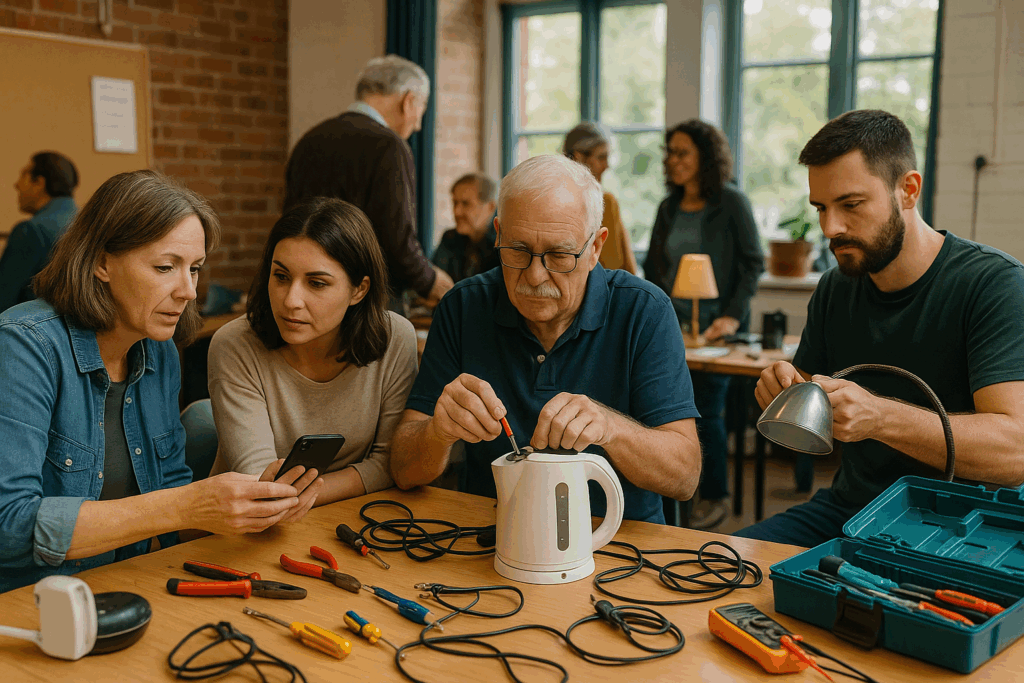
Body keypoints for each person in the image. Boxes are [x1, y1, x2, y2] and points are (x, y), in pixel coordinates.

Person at [0, 171, 316, 593]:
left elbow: (171, 513)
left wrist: (248, 507)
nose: (188, 291)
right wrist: (187, 505)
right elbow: (10, 525)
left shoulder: (157, 351)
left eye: (196, 269)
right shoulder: (24, 346)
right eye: (166, 267)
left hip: (130, 585)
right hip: (35, 604)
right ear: (101, 262)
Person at [736, 110, 1024, 548]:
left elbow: (1015, 451)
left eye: (850, 205)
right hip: (852, 511)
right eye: (821, 208)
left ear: (908, 190)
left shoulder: (994, 285)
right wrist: (785, 394)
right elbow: (814, 431)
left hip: (966, 526)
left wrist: (881, 417)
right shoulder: (836, 287)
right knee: (719, 565)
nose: (830, 228)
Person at [389, 154, 702, 524]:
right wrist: (437, 433)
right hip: (493, 540)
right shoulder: (462, 306)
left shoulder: (644, 311)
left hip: (620, 547)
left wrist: (611, 427)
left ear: (595, 247)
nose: (535, 276)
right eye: (518, 251)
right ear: (498, 234)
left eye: (558, 255)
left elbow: (685, 477)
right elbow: (403, 469)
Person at [208, 198, 418, 503]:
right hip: (244, 524)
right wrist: (299, 498)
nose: (291, 300)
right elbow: (260, 483)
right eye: (281, 277)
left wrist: (304, 497)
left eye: (316, 283)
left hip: (344, 516)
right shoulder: (234, 344)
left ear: (359, 290)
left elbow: (391, 462)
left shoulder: (396, 338)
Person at [643, 119, 765, 530]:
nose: (672, 161)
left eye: (682, 153)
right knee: (665, 409)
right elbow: (654, 267)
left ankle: (714, 496)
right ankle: (675, 491)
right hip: (673, 327)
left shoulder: (732, 202)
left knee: (705, 410)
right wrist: (666, 317)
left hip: (719, 329)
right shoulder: (667, 207)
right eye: (669, 153)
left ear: (704, 158)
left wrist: (731, 315)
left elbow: (753, 263)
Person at [283, 55, 453, 310]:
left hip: (306, 295)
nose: (418, 125)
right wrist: (430, 281)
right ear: (408, 102)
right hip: (366, 303)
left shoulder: (308, 141)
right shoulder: (390, 146)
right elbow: (397, 242)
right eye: (421, 109)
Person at [0, 152, 79, 312]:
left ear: (39, 183)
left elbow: (3, 299)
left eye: (23, 175)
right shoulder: (89, 224)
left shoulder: (31, 231)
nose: (16, 184)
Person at [562, 123, 638, 275]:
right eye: (602, 157)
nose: (607, 165)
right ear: (578, 156)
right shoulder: (606, 203)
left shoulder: (608, 201)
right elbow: (617, 267)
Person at [431, 172, 499, 283]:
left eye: (466, 204)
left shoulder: (504, 245)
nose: (456, 212)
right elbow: (435, 284)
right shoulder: (450, 238)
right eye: (455, 203)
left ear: (490, 207)